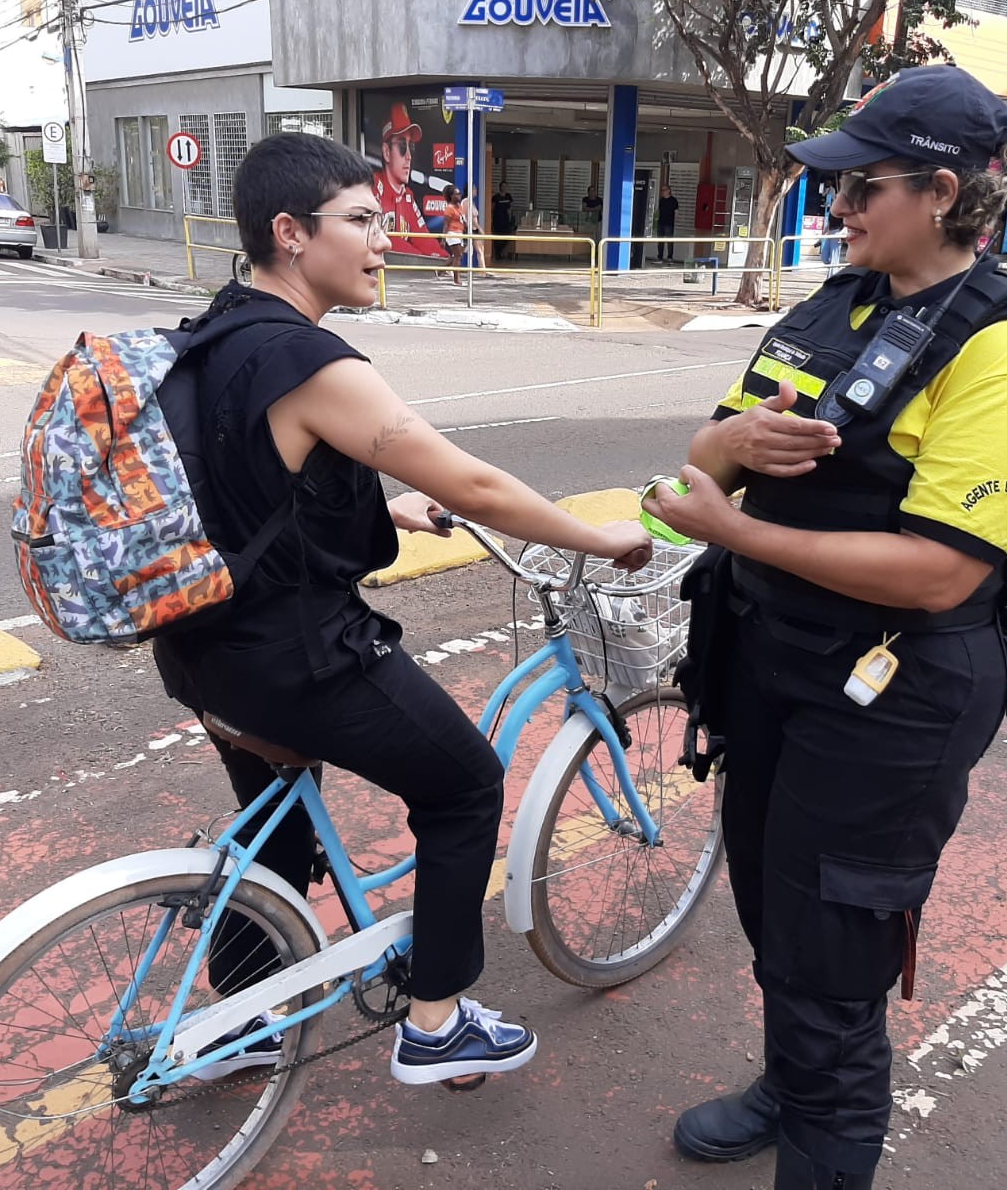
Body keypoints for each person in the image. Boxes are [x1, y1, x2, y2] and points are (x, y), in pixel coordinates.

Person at [645, 64, 1007, 1188]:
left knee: (833, 954)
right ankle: (789, 1084)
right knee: (769, 903)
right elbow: (706, 452)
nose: (834, 211)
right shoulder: (831, 304)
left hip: (895, 696)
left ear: (939, 191)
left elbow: (941, 575)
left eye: (859, 190)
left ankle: (823, 1123)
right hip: (771, 663)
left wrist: (736, 532)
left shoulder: (1006, 351)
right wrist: (732, 457)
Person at [151, 131, 653, 1089]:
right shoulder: (310, 358)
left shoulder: (214, 329)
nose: (388, 239)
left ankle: (244, 1020)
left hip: (200, 648)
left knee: (276, 827)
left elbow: (238, 482)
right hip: (294, 657)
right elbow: (474, 481)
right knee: (463, 786)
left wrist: (380, 508)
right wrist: (604, 538)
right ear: (292, 234)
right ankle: (437, 1022)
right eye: (364, 220)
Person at [374, 102, 444, 259]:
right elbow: (382, 238)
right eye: (402, 146)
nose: (409, 156)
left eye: (410, 147)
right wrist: (421, 260)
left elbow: (422, 236)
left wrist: (444, 259)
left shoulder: (407, 196)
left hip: (401, 278)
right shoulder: (373, 188)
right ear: (386, 152)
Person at [440, 184, 467, 284]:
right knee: (458, 256)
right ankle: (457, 279)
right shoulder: (450, 208)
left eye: (460, 194)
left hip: (460, 233)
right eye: (457, 194)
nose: (459, 195)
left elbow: (462, 219)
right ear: (451, 196)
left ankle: (440, 270)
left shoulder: (459, 206)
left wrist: (466, 227)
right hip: (452, 233)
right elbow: (446, 225)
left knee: (456, 256)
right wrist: (443, 239)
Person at [818, 180, 843, 266]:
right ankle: (832, 271)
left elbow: (846, 223)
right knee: (824, 257)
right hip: (830, 232)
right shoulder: (833, 210)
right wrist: (824, 233)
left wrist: (841, 234)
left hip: (837, 232)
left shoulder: (842, 211)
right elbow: (830, 222)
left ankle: (832, 274)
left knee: (834, 258)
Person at [656, 183, 679, 263]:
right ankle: (660, 257)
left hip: (669, 223)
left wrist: (675, 221)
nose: (663, 191)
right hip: (661, 222)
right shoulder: (661, 200)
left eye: (664, 190)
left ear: (669, 190)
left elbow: (676, 212)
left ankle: (670, 257)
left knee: (669, 241)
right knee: (660, 241)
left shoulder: (673, 200)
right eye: (662, 190)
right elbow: (659, 211)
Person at [491, 185, 515, 260]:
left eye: (505, 186)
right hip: (497, 220)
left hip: (506, 220)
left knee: (507, 236)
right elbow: (492, 207)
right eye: (503, 186)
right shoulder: (496, 197)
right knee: (497, 237)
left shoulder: (508, 196)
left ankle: (500, 251)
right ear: (500, 187)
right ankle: (497, 254)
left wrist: (510, 214)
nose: (504, 188)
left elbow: (511, 206)